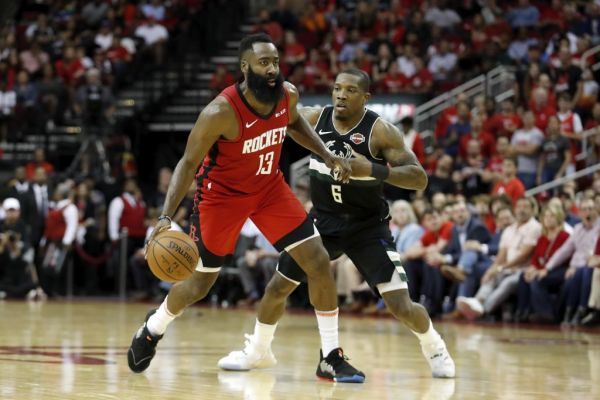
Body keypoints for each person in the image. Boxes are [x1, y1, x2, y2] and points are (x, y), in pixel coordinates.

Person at [126, 34, 363, 383]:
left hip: (269, 189)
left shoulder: (288, 94)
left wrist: (326, 155)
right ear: (245, 66)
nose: (272, 69)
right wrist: (164, 217)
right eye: (264, 63)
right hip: (221, 198)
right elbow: (187, 164)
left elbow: (295, 123)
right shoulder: (220, 112)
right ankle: (153, 326)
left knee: (317, 259)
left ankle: (329, 355)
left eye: (276, 62)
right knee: (199, 285)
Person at [218, 69, 455, 378]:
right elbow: (277, 116)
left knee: (400, 304)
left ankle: (433, 345)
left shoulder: (381, 131)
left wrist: (371, 169)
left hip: (367, 226)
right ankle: (258, 350)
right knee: (278, 287)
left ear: (365, 98)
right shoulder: (315, 118)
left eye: (350, 90)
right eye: (337, 88)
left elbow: (419, 178)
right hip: (322, 221)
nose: (341, 94)